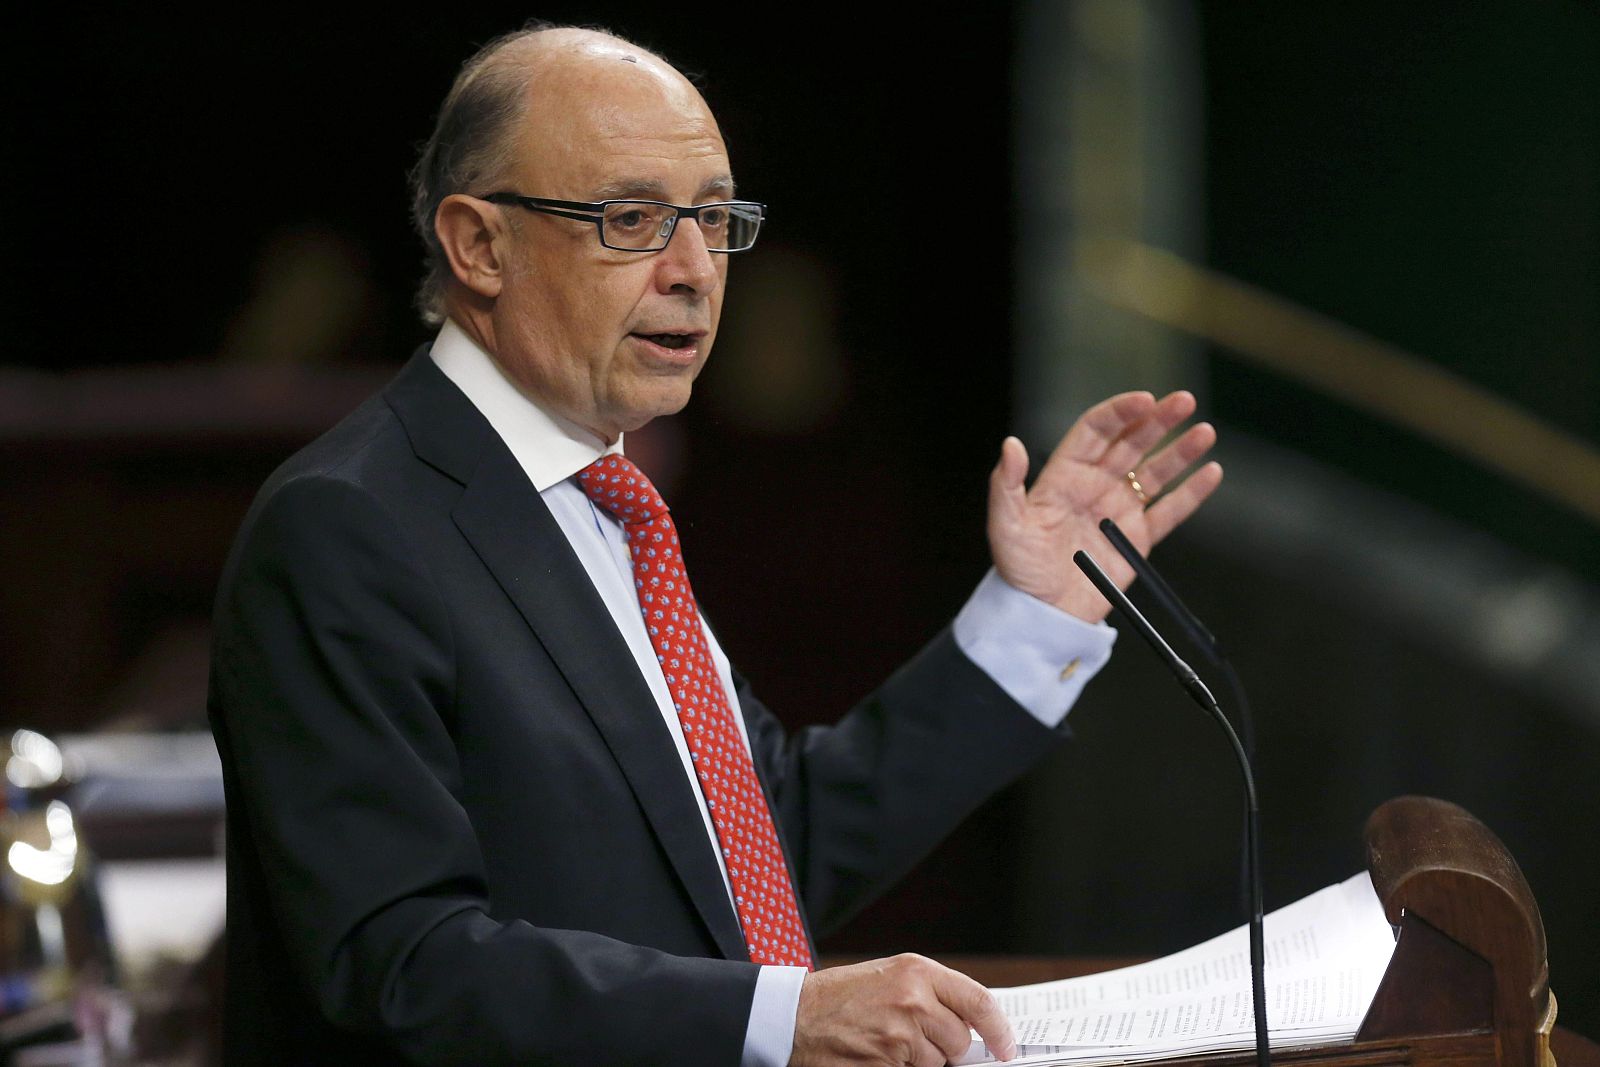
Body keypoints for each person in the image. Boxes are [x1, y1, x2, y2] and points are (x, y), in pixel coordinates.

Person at [207, 23, 1221, 1067]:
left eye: (712, 217)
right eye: (634, 218)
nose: (694, 268)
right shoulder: (349, 526)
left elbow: (757, 857)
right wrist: (783, 1017)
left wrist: (1035, 611)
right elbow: (397, 962)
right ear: (479, 246)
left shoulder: (608, 505)